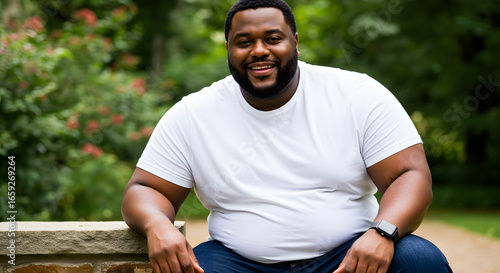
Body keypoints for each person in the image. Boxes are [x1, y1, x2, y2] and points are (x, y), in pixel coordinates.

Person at [121, 0, 453, 272]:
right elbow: (145, 189)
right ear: (228, 50)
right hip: (237, 262)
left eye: (272, 38)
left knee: (420, 260)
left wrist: (383, 232)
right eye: (244, 42)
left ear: (294, 42)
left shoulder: (357, 94)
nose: (259, 50)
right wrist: (157, 225)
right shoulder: (192, 114)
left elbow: (411, 175)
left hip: (347, 256)